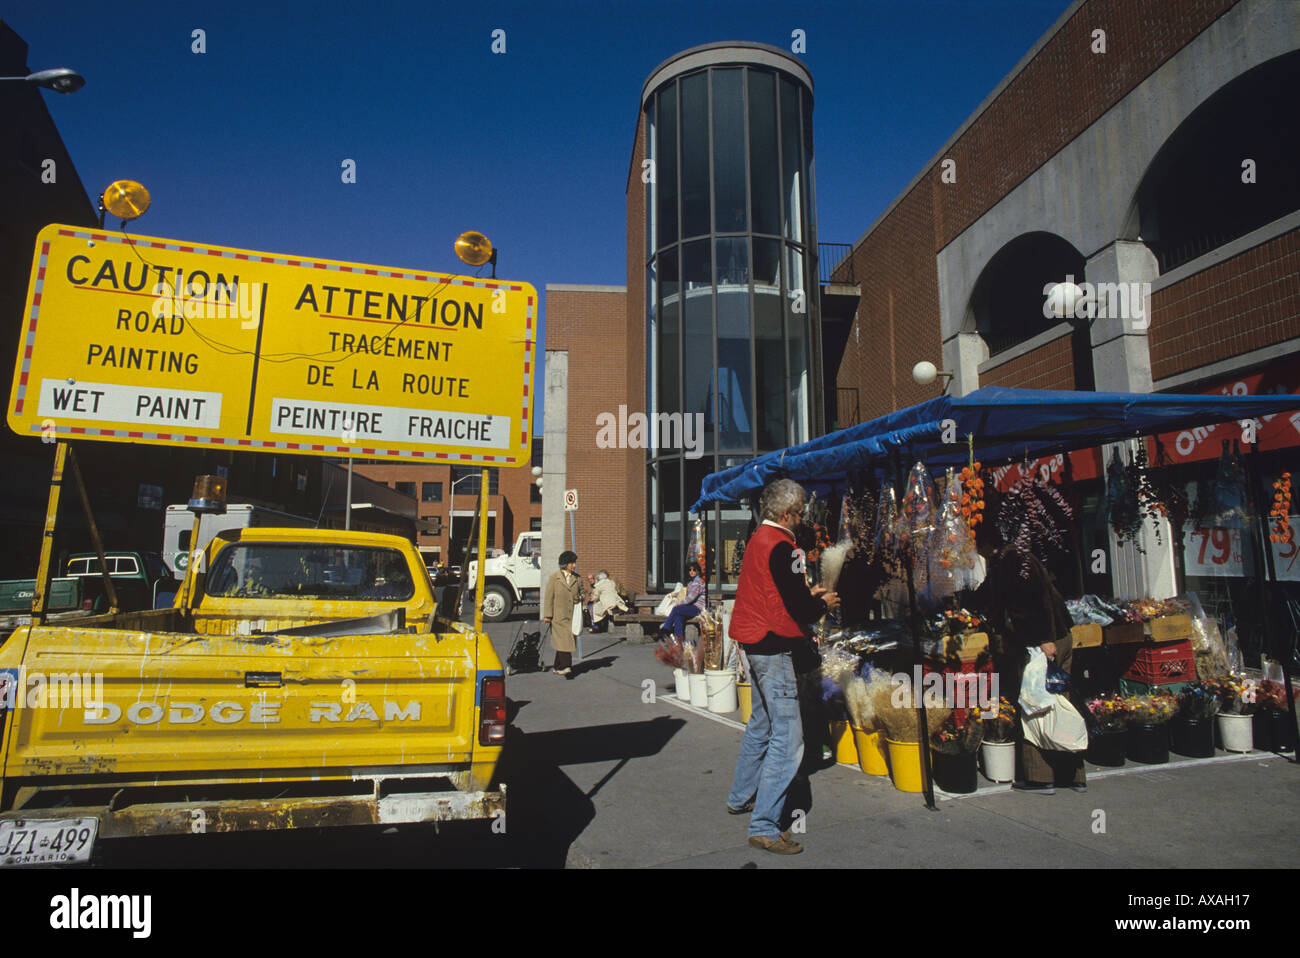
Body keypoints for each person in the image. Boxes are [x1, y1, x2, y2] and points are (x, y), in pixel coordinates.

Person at [726, 479, 839, 855]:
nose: (803, 518)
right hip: (773, 644)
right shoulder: (785, 547)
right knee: (789, 738)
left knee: (761, 722)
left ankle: (742, 796)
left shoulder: (760, 538)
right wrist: (823, 603)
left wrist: (806, 598)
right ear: (788, 513)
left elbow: (774, 593)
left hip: (751, 638)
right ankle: (764, 825)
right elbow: (799, 608)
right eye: (802, 512)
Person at [974, 521, 1085, 795]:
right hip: (1056, 636)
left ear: (989, 545)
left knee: (1036, 704)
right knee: (1060, 702)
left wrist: (1043, 639)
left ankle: (1040, 777)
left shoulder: (1010, 560)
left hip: (1043, 642)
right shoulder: (1019, 556)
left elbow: (1030, 602)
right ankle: (1072, 773)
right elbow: (991, 593)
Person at [543, 550, 582, 677]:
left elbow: (583, 592)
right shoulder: (554, 578)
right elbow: (549, 597)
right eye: (572, 563)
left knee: (563, 642)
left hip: (572, 617)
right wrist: (548, 615)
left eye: (574, 563)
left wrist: (579, 597)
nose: (574, 565)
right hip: (558, 616)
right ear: (565, 564)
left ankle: (557, 666)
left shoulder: (577, 578)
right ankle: (566, 666)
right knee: (565, 641)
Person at [659, 561, 706, 638]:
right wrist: (675, 594)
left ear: (698, 571)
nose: (692, 572)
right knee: (678, 616)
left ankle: (666, 628)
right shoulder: (691, 582)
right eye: (690, 570)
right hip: (690, 607)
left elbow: (691, 598)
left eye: (694, 570)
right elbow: (685, 593)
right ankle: (679, 640)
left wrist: (679, 604)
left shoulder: (698, 582)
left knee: (676, 609)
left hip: (698, 608)